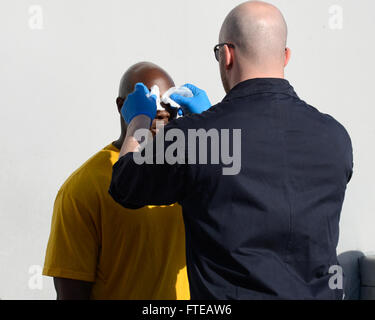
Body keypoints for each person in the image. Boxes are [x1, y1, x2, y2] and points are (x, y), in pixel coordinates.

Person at [109, 1, 353, 299]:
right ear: (286, 56)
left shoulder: (196, 139)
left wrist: (137, 121)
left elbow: (124, 185)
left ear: (226, 54)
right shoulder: (335, 137)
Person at [43, 62, 190, 300]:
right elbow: (71, 292)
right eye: (151, 102)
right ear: (123, 106)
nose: (162, 112)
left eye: (169, 103)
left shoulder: (190, 173)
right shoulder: (83, 188)